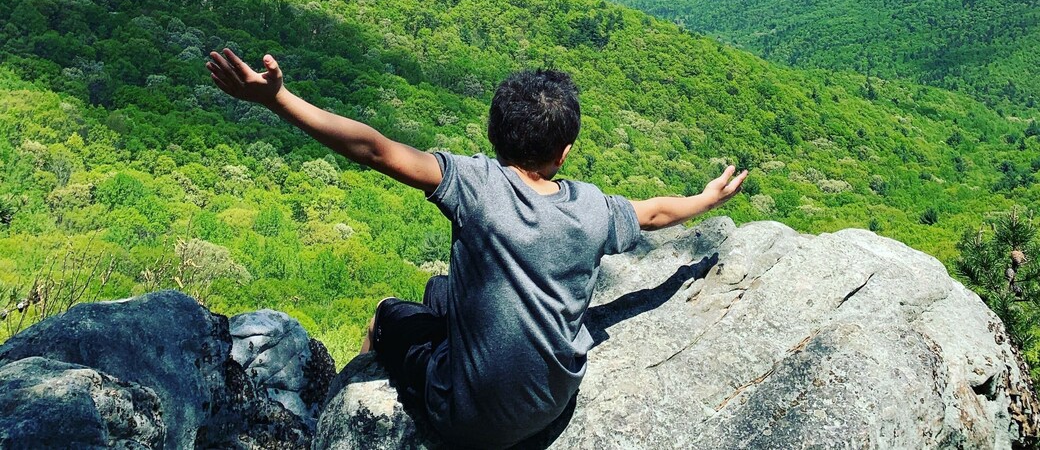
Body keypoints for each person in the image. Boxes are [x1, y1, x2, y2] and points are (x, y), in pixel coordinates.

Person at [205, 48, 747, 448]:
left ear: (492, 133)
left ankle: (354, 409)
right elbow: (653, 213)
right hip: (552, 405)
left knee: (388, 313)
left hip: (468, 419)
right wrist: (704, 198)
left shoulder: (475, 185)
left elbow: (371, 148)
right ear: (564, 152)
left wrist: (277, 98)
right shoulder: (591, 209)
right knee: (439, 290)